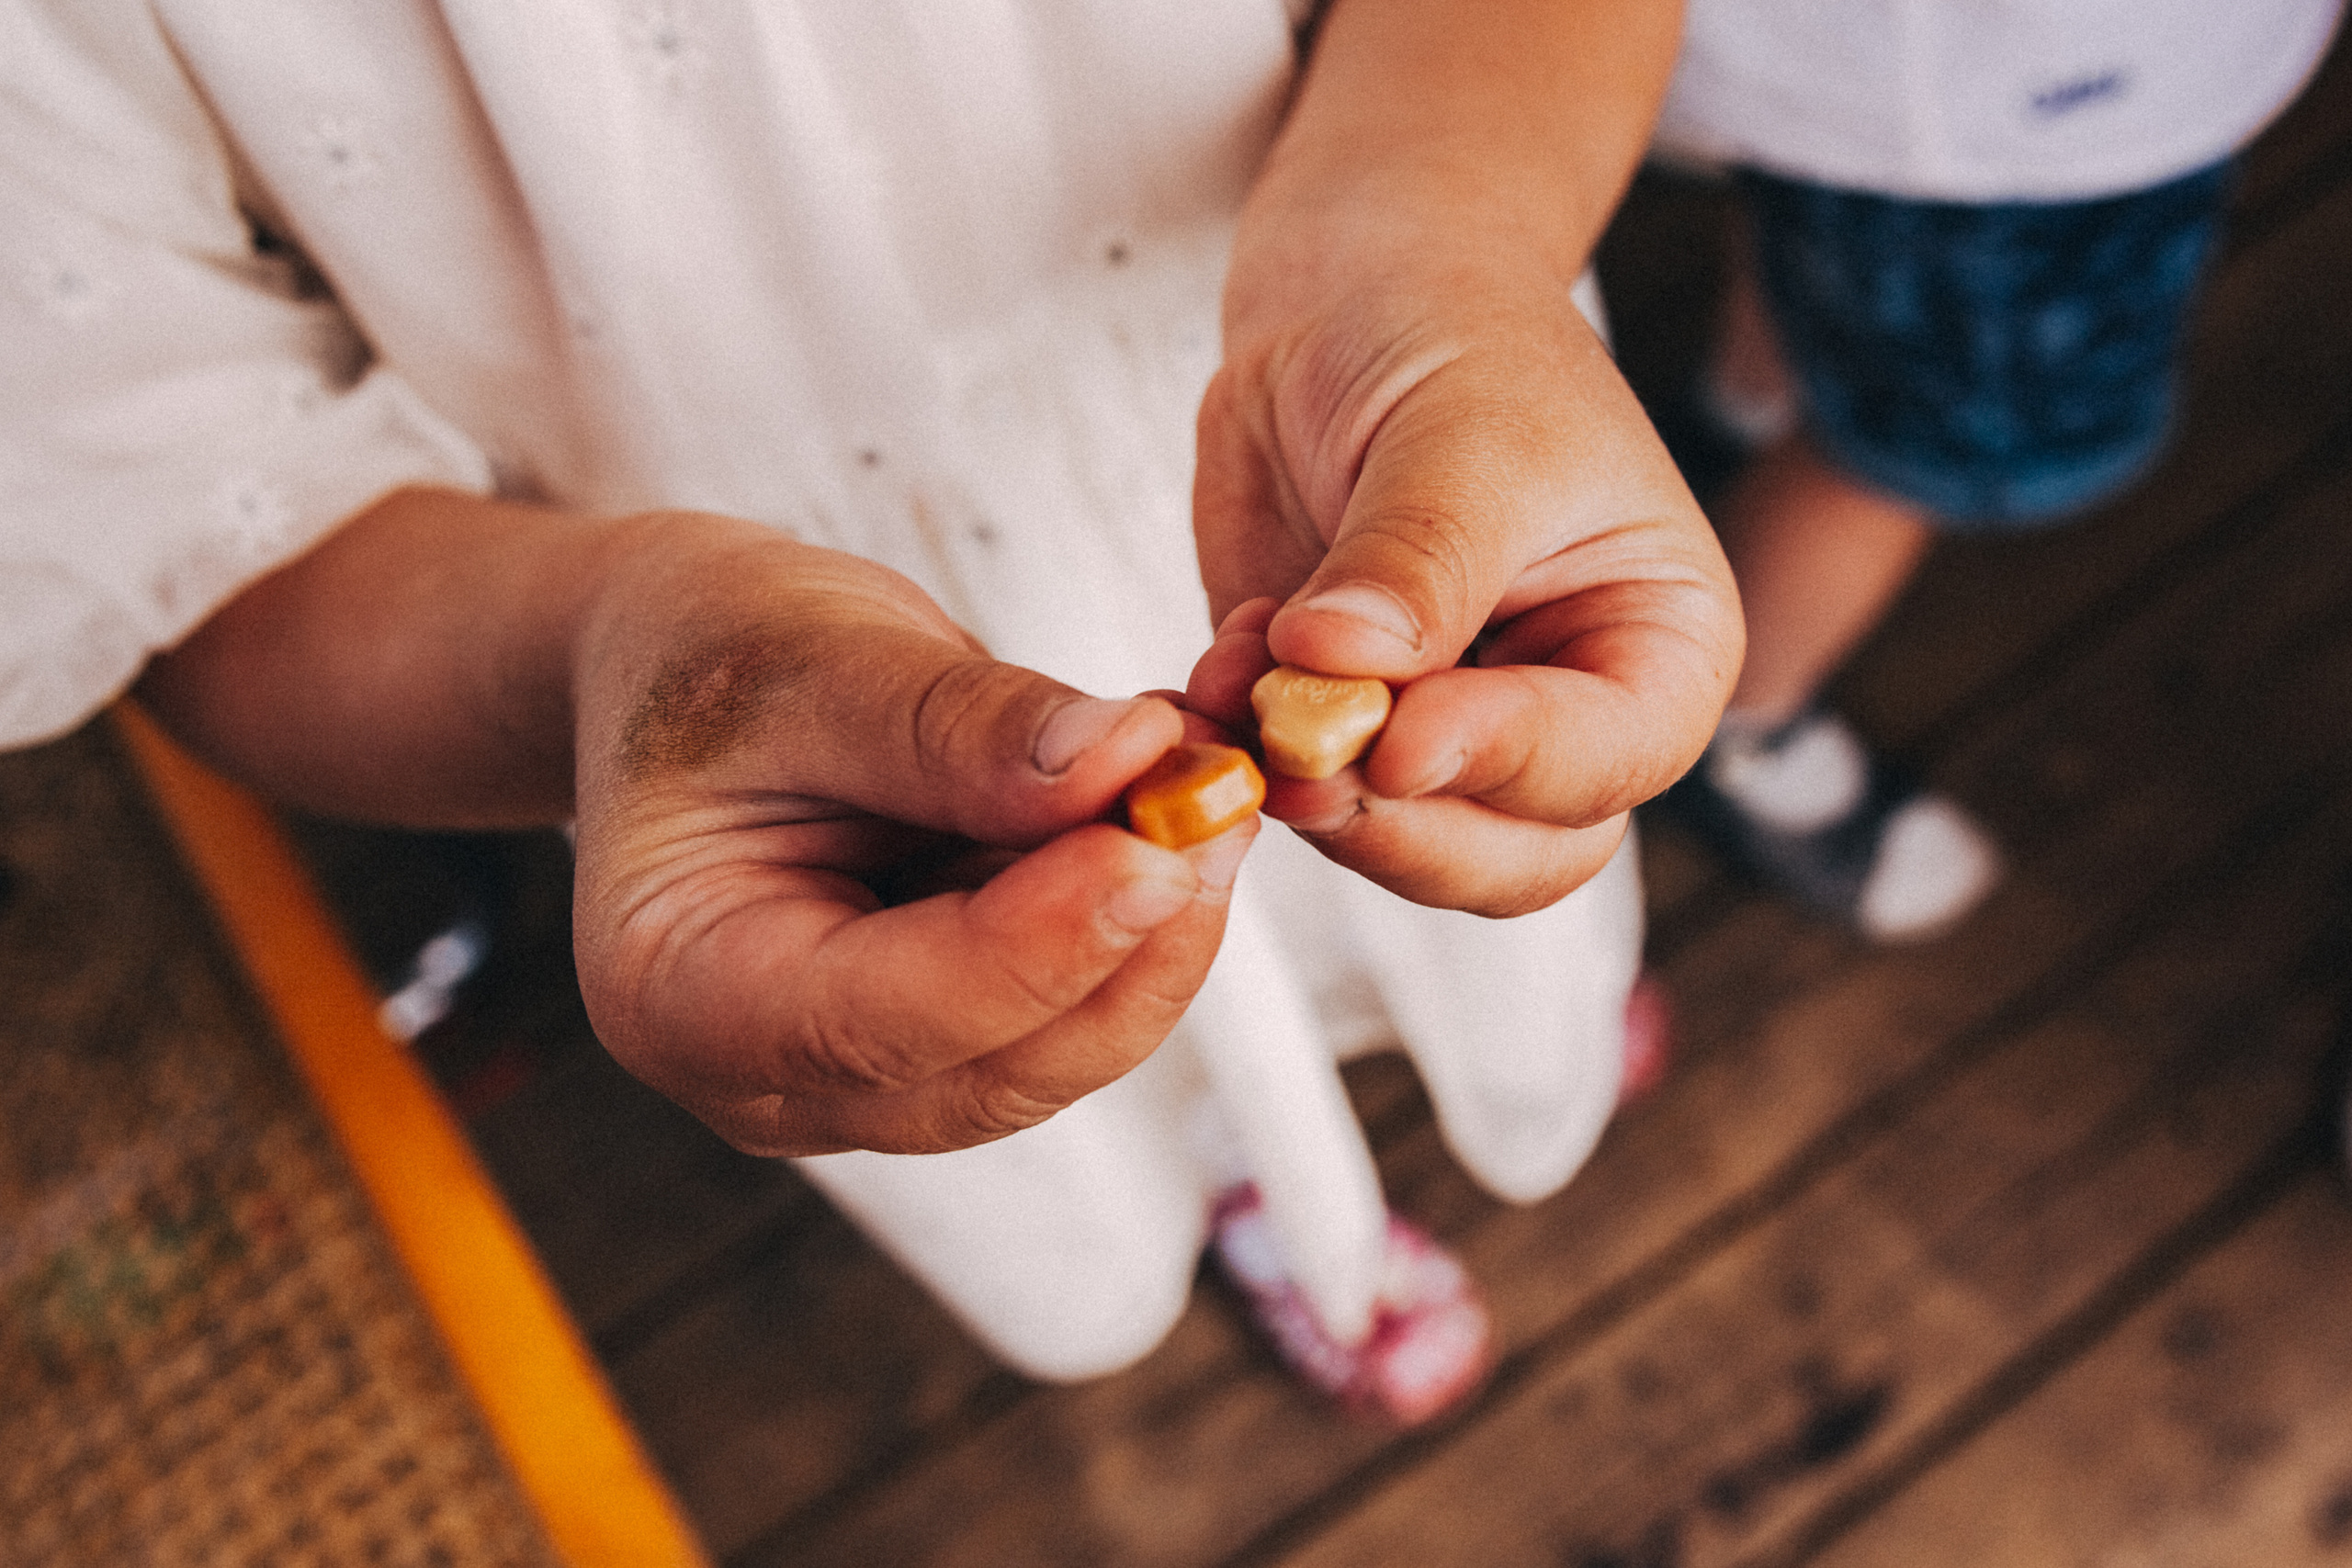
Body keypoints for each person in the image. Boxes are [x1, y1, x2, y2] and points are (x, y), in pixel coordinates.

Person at [0, 0, 1740, 1420]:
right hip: (732, 673)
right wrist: (610, 655)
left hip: (1341, 398)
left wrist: (1448, 244)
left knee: (1445, 818)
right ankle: (1242, 1160)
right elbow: (177, 518)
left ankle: (1479, 1015)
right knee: (1027, 988)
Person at [1648, 0, 2345, 942]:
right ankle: (1722, 717)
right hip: (2036, 112)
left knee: (1827, 217)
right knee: (1938, 439)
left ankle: (1737, 413)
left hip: (1809, 63)